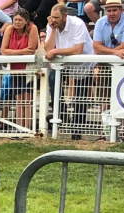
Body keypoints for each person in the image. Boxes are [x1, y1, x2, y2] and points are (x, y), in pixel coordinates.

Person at [44, 3, 94, 139]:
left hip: (83, 63)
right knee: (53, 80)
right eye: (52, 17)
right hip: (64, 63)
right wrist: (53, 30)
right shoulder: (51, 25)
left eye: (57, 17)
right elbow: (48, 48)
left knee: (81, 96)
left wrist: (56, 51)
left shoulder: (77, 24)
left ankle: (77, 130)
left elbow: (78, 49)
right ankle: (64, 118)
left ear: (65, 16)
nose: (53, 20)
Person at [0, 8, 37, 128]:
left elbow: (30, 50)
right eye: (15, 19)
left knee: (28, 99)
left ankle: (28, 127)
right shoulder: (10, 29)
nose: (17, 22)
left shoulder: (33, 28)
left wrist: (14, 52)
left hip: (28, 69)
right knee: (19, 99)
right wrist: (21, 51)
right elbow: (4, 50)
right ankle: (20, 127)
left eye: (20, 20)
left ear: (26, 21)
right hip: (15, 68)